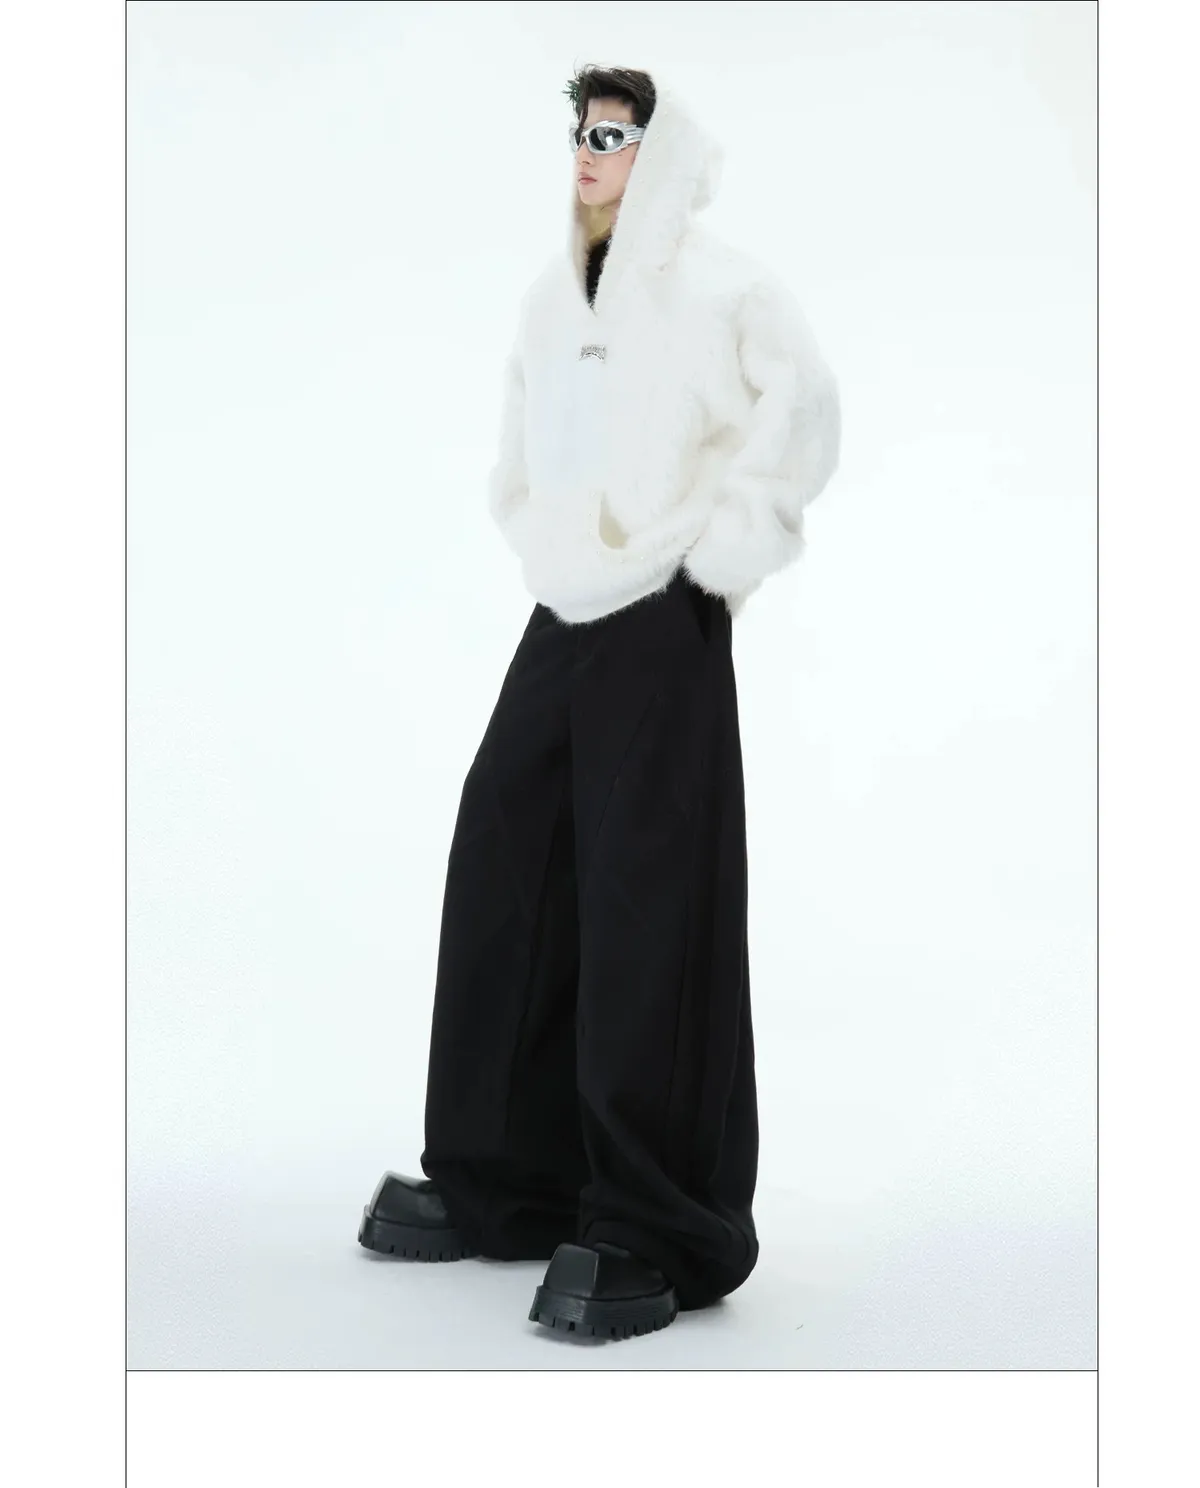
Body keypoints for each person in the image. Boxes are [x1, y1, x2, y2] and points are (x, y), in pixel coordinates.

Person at [357, 64, 841, 1342]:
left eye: (616, 135)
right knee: (505, 844)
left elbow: (805, 406)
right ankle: (506, 1179)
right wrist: (535, 525)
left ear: (658, 153)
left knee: (648, 893)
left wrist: (727, 548)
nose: (590, 151)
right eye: (582, 131)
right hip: (568, 601)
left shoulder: (725, 288)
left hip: (667, 599)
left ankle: (655, 1223)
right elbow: (523, 436)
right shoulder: (548, 298)